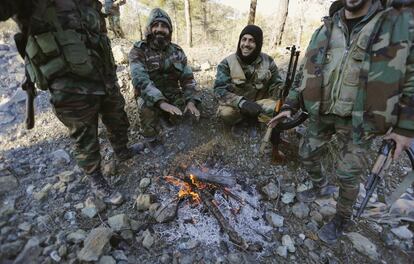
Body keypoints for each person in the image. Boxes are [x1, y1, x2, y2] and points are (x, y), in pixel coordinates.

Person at [268, 0, 414, 243]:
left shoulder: (392, 25)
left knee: (348, 174)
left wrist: (406, 127)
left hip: (361, 120)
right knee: (307, 154)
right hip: (321, 111)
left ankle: (342, 218)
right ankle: (320, 186)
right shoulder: (325, 28)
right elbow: (305, 70)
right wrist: (290, 106)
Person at [0, 0, 141, 204]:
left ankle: (123, 150)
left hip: (103, 75)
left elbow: (99, 25)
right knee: (84, 133)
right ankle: (96, 179)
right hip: (69, 84)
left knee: (117, 115)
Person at [129, 8, 201, 153]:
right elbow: (140, 79)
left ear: (169, 30)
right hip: (148, 95)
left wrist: (191, 101)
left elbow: (188, 78)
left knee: (191, 113)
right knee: (147, 110)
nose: (160, 29)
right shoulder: (139, 50)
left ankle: (164, 117)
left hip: (171, 94)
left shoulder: (177, 51)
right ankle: (151, 140)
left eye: (164, 26)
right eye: (156, 25)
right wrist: (161, 103)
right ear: (150, 28)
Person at [214, 25, 284, 135]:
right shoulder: (227, 63)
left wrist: (283, 90)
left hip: (260, 105)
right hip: (237, 106)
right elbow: (219, 91)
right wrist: (242, 103)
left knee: (279, 108)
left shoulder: (268, 61)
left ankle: (256, 121)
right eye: (244, 39)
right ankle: (241, 122)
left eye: (251, 41)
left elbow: (276, 85)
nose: (246, 44)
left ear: (258, 44)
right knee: (226, 113)